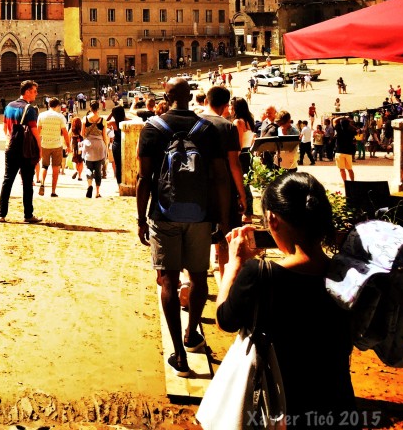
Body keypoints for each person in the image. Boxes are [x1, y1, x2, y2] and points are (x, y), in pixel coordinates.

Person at [217, 172, 356, 427]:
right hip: (338, 406)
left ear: (272, 219)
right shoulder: (349, 274)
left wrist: (234, 263)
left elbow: (225, 319)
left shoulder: (260, 274)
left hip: (281, 406)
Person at [136, 77, 226, 377]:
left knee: (168, 281)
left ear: (167, 94)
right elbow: (218, 178)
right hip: (200, 215)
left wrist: (141, 219)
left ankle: (179, 355)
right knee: (199, 279)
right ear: (191, 97)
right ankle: (191, 335)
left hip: (164, 214)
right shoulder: (207, 130)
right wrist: (219, 217)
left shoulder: (152, 128)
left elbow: (144, 179)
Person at [199, 86, 247, 277]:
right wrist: (242, 195)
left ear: (206, 101)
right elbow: (234, 164)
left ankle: (191, 281)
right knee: (225, 237)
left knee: (198, 237)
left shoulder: (194, 122)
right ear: (226, 105)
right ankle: (226, 280)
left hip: (196, 187)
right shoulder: (227, 127)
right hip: (222, 190)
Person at [0, 80, 42, 224]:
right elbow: (35, 132)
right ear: (28, 91)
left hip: (11, 147)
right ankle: (28, 214)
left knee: (7, 180)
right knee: (27, 182)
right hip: (25, 149)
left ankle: (2, 214)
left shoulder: (9, 106)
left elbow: (5, 129)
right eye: (35, 91)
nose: (36, 93)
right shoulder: (30, 109)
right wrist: (39, 148)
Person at [36, 97, 69, 197]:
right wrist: (68, 145)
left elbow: (38, 131)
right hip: (57, 145)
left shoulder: (41, 115)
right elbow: (65, 132)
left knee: (44, 166)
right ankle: (53, 191)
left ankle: (42, 183)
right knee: (55, 168)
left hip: (45, 144)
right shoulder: (60, 117)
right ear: (58, 106)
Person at [107, 104, 127, 188]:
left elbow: (105, 121)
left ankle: (119, 184)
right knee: (126, 164)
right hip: (125, 144)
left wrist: (111, 114)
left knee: (118, 166)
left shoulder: (113, 123)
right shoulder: (127, 121)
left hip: (117, 145)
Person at [334, 115, 358, 182]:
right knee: (350, 169)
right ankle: (352, 182)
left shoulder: (339, 130)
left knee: (342, 169)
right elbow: (357, 130)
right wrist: (350, 124)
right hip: (348, 152)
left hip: (339, 151)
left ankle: (345, 182)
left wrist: (342, 117)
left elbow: (334, 120)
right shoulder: (351, 132)